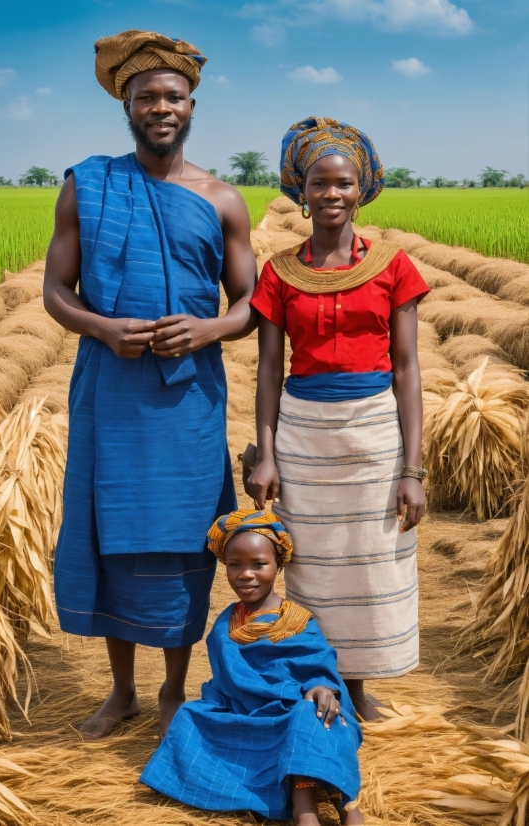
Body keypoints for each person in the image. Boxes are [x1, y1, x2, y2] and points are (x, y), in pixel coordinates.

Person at [43, 29, 256, 739]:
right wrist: (102, 328)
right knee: (113, 533)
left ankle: (172, 688)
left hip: (189, 396)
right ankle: (123, 690)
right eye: (146, 97)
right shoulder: (88, 185)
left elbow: (250, 305)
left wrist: (207, 331)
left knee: (180, 537)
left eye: (172, 96)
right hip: (110, 390)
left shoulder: (222, 198)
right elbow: (55, 291)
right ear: (126, 107)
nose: (160, 107)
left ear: (192, 105)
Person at [247, 116, 430, 721]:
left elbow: (406, 369)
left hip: (375, 431)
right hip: (305, 433)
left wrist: (413, 468)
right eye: (319, 183)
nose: (332, 194)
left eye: (344, 183)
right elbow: (270, 369)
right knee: (316, 566)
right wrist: (266, 452)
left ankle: (356, 690)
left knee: (372, 565)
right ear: (301, 191)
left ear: (362, 189)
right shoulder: (279, 271)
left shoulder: (393, 266)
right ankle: (318, 686)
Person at [140, 509, 364, 826]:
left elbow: (320, 670)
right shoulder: (224, 625)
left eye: (259, 564)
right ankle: (281, 793)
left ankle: (321, 808)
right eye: (235, 565)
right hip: (246, 715)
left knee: (312, 716)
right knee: (189, 716)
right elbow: (226, 683)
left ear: (278, 564)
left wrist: (319, 688)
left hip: (292, 711)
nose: (246, 574)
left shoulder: (297, 620)